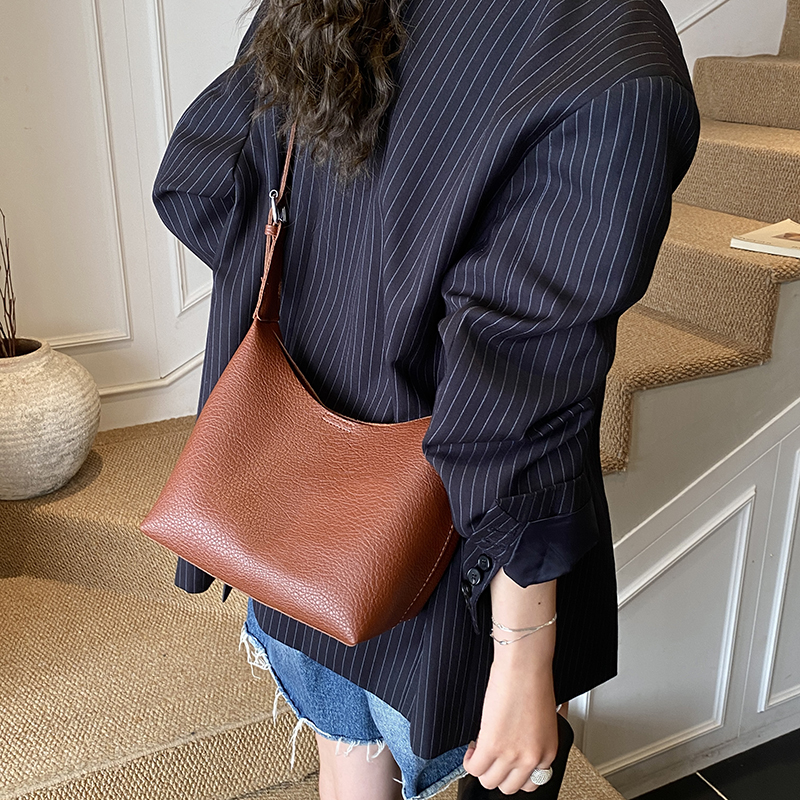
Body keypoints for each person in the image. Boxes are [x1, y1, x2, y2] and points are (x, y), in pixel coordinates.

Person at [153, 0, 700, 797]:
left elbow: (202, 178)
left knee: (347, 760)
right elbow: (515, 390)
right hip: (449, 577)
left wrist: (341, 307)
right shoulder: (604, 42)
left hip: (289, 518)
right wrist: (525, 654)